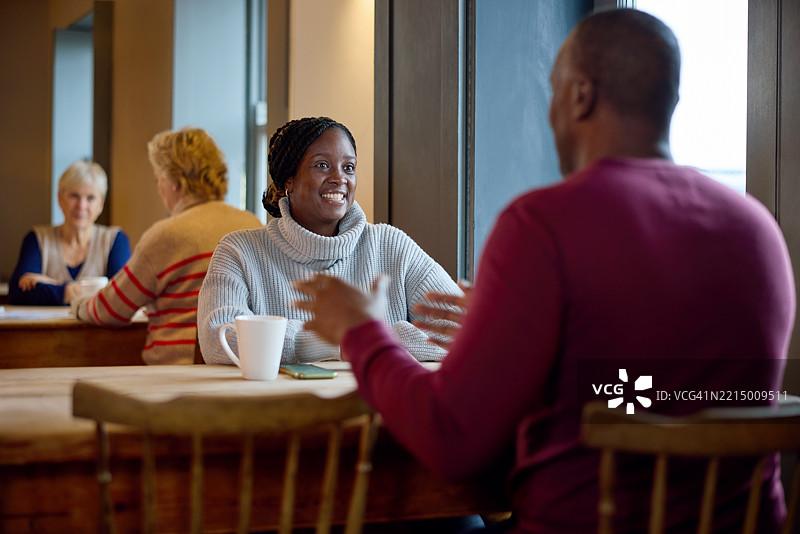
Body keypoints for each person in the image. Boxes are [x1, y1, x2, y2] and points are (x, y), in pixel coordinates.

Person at [293, 9, 796, 534]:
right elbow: (652, 388)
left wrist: (361, 332)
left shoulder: (542, 225)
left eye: (552, 88)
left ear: (580, 95)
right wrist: (513, 332)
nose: (550, 107)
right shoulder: (758, 231)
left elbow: (451, 442)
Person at [198, 116, 461, 366]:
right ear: (289, 180)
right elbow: (217, 339)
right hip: (280, 411)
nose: (339, 178)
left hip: (377, 409)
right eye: (322, 165)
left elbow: (464, 331)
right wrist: (349, 341)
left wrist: (370, 338)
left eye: (348, 167)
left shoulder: (391, 245)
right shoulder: (238, 251)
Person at [72, 127, 262, 365]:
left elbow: (111, 310)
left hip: (176, 374)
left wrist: (79, 305)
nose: (159, 187)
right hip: (239, 369)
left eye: (158, 178)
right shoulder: (253, 225)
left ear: (174, 182)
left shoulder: (167, 236)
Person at [9, 160, 131, 305]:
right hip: (47, 328)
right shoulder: (37, 238)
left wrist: (56, 285)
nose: (81, 205)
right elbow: (19, 293)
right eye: (74, 196)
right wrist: (89, 291)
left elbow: (121, 295)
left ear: (101, 204)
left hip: (97, 329)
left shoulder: (115, 240)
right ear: (60, 198)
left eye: (91, 198)